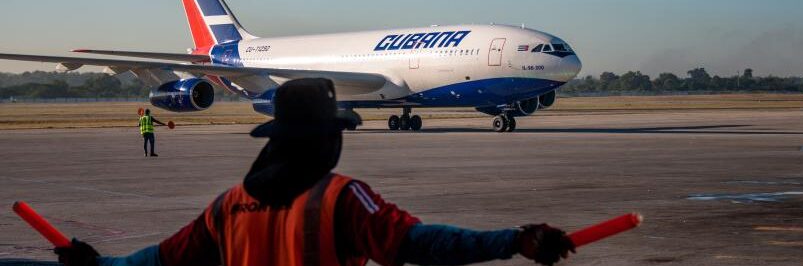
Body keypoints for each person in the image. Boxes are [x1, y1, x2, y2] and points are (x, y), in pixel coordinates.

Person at [57, 79, 575, 266]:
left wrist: (98, 264)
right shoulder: (342, 200)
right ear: (330, 138)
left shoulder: (229, 205)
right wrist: (513, 241)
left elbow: (162, 260)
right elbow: (422, 244)